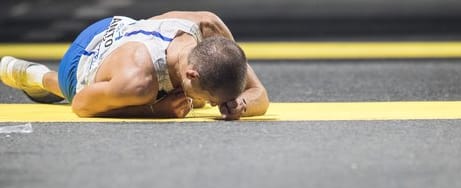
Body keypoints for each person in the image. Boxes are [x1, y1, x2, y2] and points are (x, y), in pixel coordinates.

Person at [0, 11, 269, 120]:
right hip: (80, 62)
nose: (213, 105)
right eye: (213, 100)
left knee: (190, 100)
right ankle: (38, 76)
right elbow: (81, 105)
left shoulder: (209, 27)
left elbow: (260, 95)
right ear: (191, 73)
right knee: (144, 94)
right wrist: (153, 110)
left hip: (117, 27)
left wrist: (240, 105)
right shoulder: (140, 82)